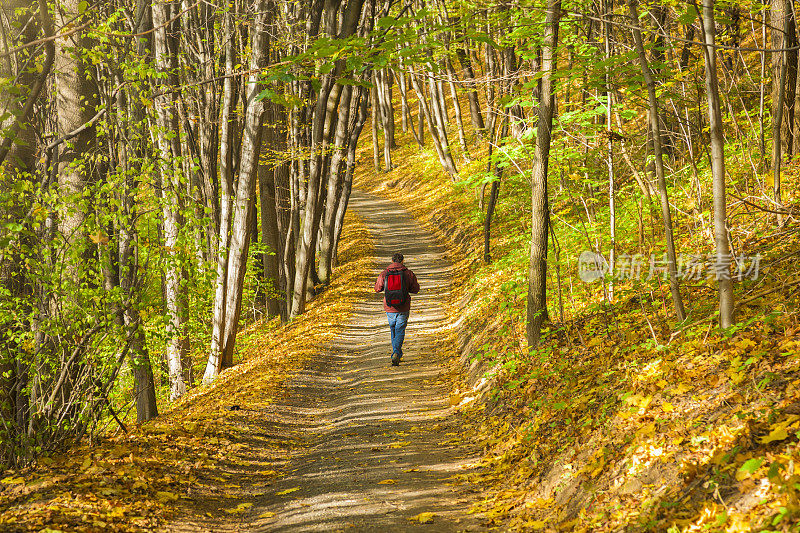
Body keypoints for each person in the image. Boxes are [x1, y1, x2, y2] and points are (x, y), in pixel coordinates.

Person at [374, 252, 420, 366]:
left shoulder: (385, 273)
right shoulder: (408, 273)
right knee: (400, 329)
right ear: (402, 261)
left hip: (389, 307)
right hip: (403, 306)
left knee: (393, 328)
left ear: (392, 261)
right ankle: (396, 352)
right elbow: (415, 289)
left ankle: (396, 352)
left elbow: (377, 288)